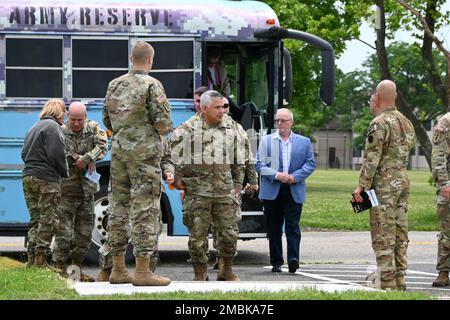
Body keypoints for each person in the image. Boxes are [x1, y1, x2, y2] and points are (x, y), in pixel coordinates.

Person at [103, 41, 173, 286]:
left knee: (118, 209)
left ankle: (118, 269)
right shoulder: (153, 85)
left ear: (132, 59)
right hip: (145, 158)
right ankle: (143, 271)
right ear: (150, 61)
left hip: (119, 156)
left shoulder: (114, 84)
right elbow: (164, 123)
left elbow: (107, 121)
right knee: (145, 209)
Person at [170, 90, 243, 281]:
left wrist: (237, 185)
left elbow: (239, 159)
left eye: (223, 107)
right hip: (197, 193)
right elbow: (172, 157)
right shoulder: (187, 129)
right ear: (204, 109)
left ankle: (226, 270)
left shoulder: (231, 127)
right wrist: (178, 182)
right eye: (217, 107)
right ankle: (200, 273)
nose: (221, 111)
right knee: (197, 238)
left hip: (225, 191)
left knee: (229, 235)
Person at [353, 80, 416, 290]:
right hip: (402, 182)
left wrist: (361, 186)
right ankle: (400, 277)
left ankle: (386, 281)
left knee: (383, 231)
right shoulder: (407, 122)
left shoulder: (379, 123)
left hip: (383, 186)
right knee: (400, 231)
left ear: (378, 98)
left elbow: (372, 157)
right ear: (395, 96)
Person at [96, 136, 174, 281]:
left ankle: (148, 271)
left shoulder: (160, 135)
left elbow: (167, 158)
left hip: (149, 189)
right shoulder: (127, 128)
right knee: (117, 224)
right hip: (125, 187)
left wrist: (168, 171)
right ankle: (110, 269)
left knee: (152, 227)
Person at [52, 102, 108, 281]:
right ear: (67, 115)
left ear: (85, 117)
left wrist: (88, 157)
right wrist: (77, 158)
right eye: (73, 119)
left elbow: (103, 146)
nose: (76, 123)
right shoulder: (59, 130)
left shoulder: (93, 128)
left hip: (87, 191)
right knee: (64, 233)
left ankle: (75, 272)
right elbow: (56, 151)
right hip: (65, 190)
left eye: (80, 120)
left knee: (84, 234)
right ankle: (59, 269)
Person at [256, 108, 316, 274]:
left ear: (291, 122)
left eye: (283, 120)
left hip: (294, 189)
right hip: (272, 190)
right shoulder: (266, 141)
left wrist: (294, 177)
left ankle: (293, 260)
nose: (280, 123)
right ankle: (276, 262)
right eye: (277, 120)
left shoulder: (304, 142)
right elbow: (259, 165)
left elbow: (310, 164)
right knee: (274, 228)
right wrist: (276, 175)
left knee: (292, 226)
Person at [21, 99, 69, 269]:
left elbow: (23, 153)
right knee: (48, 220)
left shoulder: (33, 127)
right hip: (46, 179)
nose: (66, 116)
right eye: (65, 112)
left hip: (28, 177)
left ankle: (31, 259)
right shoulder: (53, 127)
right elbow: (57, 154)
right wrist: (65, 172)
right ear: (59, 112)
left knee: (35, 219)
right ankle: (41, 261)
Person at [431, 112, 450, 287]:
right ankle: (444, 272)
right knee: (448, 231)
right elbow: (439, 156)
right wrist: (444, 184)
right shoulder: (447, 121)